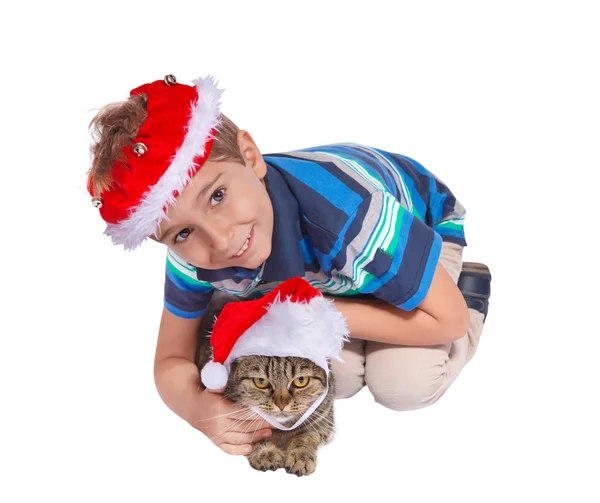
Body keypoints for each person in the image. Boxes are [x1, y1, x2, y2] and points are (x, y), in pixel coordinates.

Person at [86, 74, 491, 457]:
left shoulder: (349, 217)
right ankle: (366, 312)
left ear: (250, 156)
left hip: (410, 228)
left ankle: (467, 286)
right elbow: (170, 360)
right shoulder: (192, 254)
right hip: (329, 274)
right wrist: (199, 411)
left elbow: (447, 321)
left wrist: (305, 313)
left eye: (217, 196)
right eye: (183, 233)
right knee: (340, 379)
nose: (221, 240)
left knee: (404, 385)